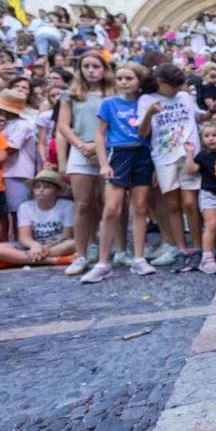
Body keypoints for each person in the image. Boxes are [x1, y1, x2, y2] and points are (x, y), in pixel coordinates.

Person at [81, 63, 158, 283]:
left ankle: (139, 257)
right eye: (120, 78)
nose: (124, 82)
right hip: (119, 153)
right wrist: (103, 163)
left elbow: (148, 133)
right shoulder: (109, 103)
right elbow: (99, 134)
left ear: (139, 81)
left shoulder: (145, 102)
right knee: (112, 208)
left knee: (140, 207)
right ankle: (103, 262)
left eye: (129, 78)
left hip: (142, 153)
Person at [138, 63, 203, 271]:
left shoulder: (184, 97)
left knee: (190, 202)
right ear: (160, 82)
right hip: (164, 157)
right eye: (173, 86)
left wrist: (213, 112)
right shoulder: (146, 100)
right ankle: (181, 248)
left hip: (188, 154)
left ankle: (198, 247)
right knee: (172, 204)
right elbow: (142, 132)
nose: (176, 90)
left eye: (179, 86)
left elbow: (199, 116)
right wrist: (150, 113)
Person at [58, 53, 116, 277]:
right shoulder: (70, 95)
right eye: (86, 66)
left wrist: (98, 145)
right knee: (82, 204)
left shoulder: (113, 94)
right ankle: (81, 254)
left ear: (104, 69)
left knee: (108, 203)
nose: (91, 70)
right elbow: (64, 125)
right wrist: (81, 145)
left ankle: (110, 249)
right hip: (80, 150)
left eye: (96, 66)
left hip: (108, 150)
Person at [0, 171, 74, 267]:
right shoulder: (25, 207)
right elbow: (24, 237)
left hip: (57, 245)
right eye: (37, 187)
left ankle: (16, 259)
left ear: (58, 191)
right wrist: (35, 246)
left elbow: (66, 236)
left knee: (74, 244)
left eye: (47, 187)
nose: (41, 190)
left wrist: (44, 248)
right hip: (31, 246)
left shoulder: (68, 206)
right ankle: (53, 260)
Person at [185, 121, 216, 275]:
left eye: (214, 135)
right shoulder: (203, 156)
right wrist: (190, 153)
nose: (211, 139)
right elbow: (191, 169)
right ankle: (207, 258)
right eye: (206, 136)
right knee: (211, 224)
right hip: (210, 194)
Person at [0, 89, 36, 225]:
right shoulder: (5, 124)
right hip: (4, 171)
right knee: (2, 212)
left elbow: (11, 149)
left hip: (18, 172)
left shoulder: (22, 125)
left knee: (18, 211)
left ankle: (21, 236)